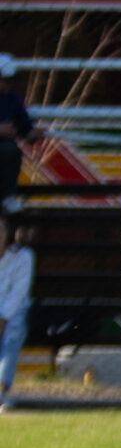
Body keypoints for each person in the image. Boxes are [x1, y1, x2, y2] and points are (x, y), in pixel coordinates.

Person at [0, 211, 30, 408]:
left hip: (13, 312)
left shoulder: (23, 257)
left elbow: (19, 292)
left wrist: (2, 319)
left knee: (14, 329)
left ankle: (1, 390)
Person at [0, 53, 34, 208]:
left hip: (6, 149)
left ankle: (8, 198)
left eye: (10, 80)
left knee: (11, 151)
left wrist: (33, 134)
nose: (9, 84)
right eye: (6, 80)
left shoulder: (13, 99)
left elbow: (25, 128)